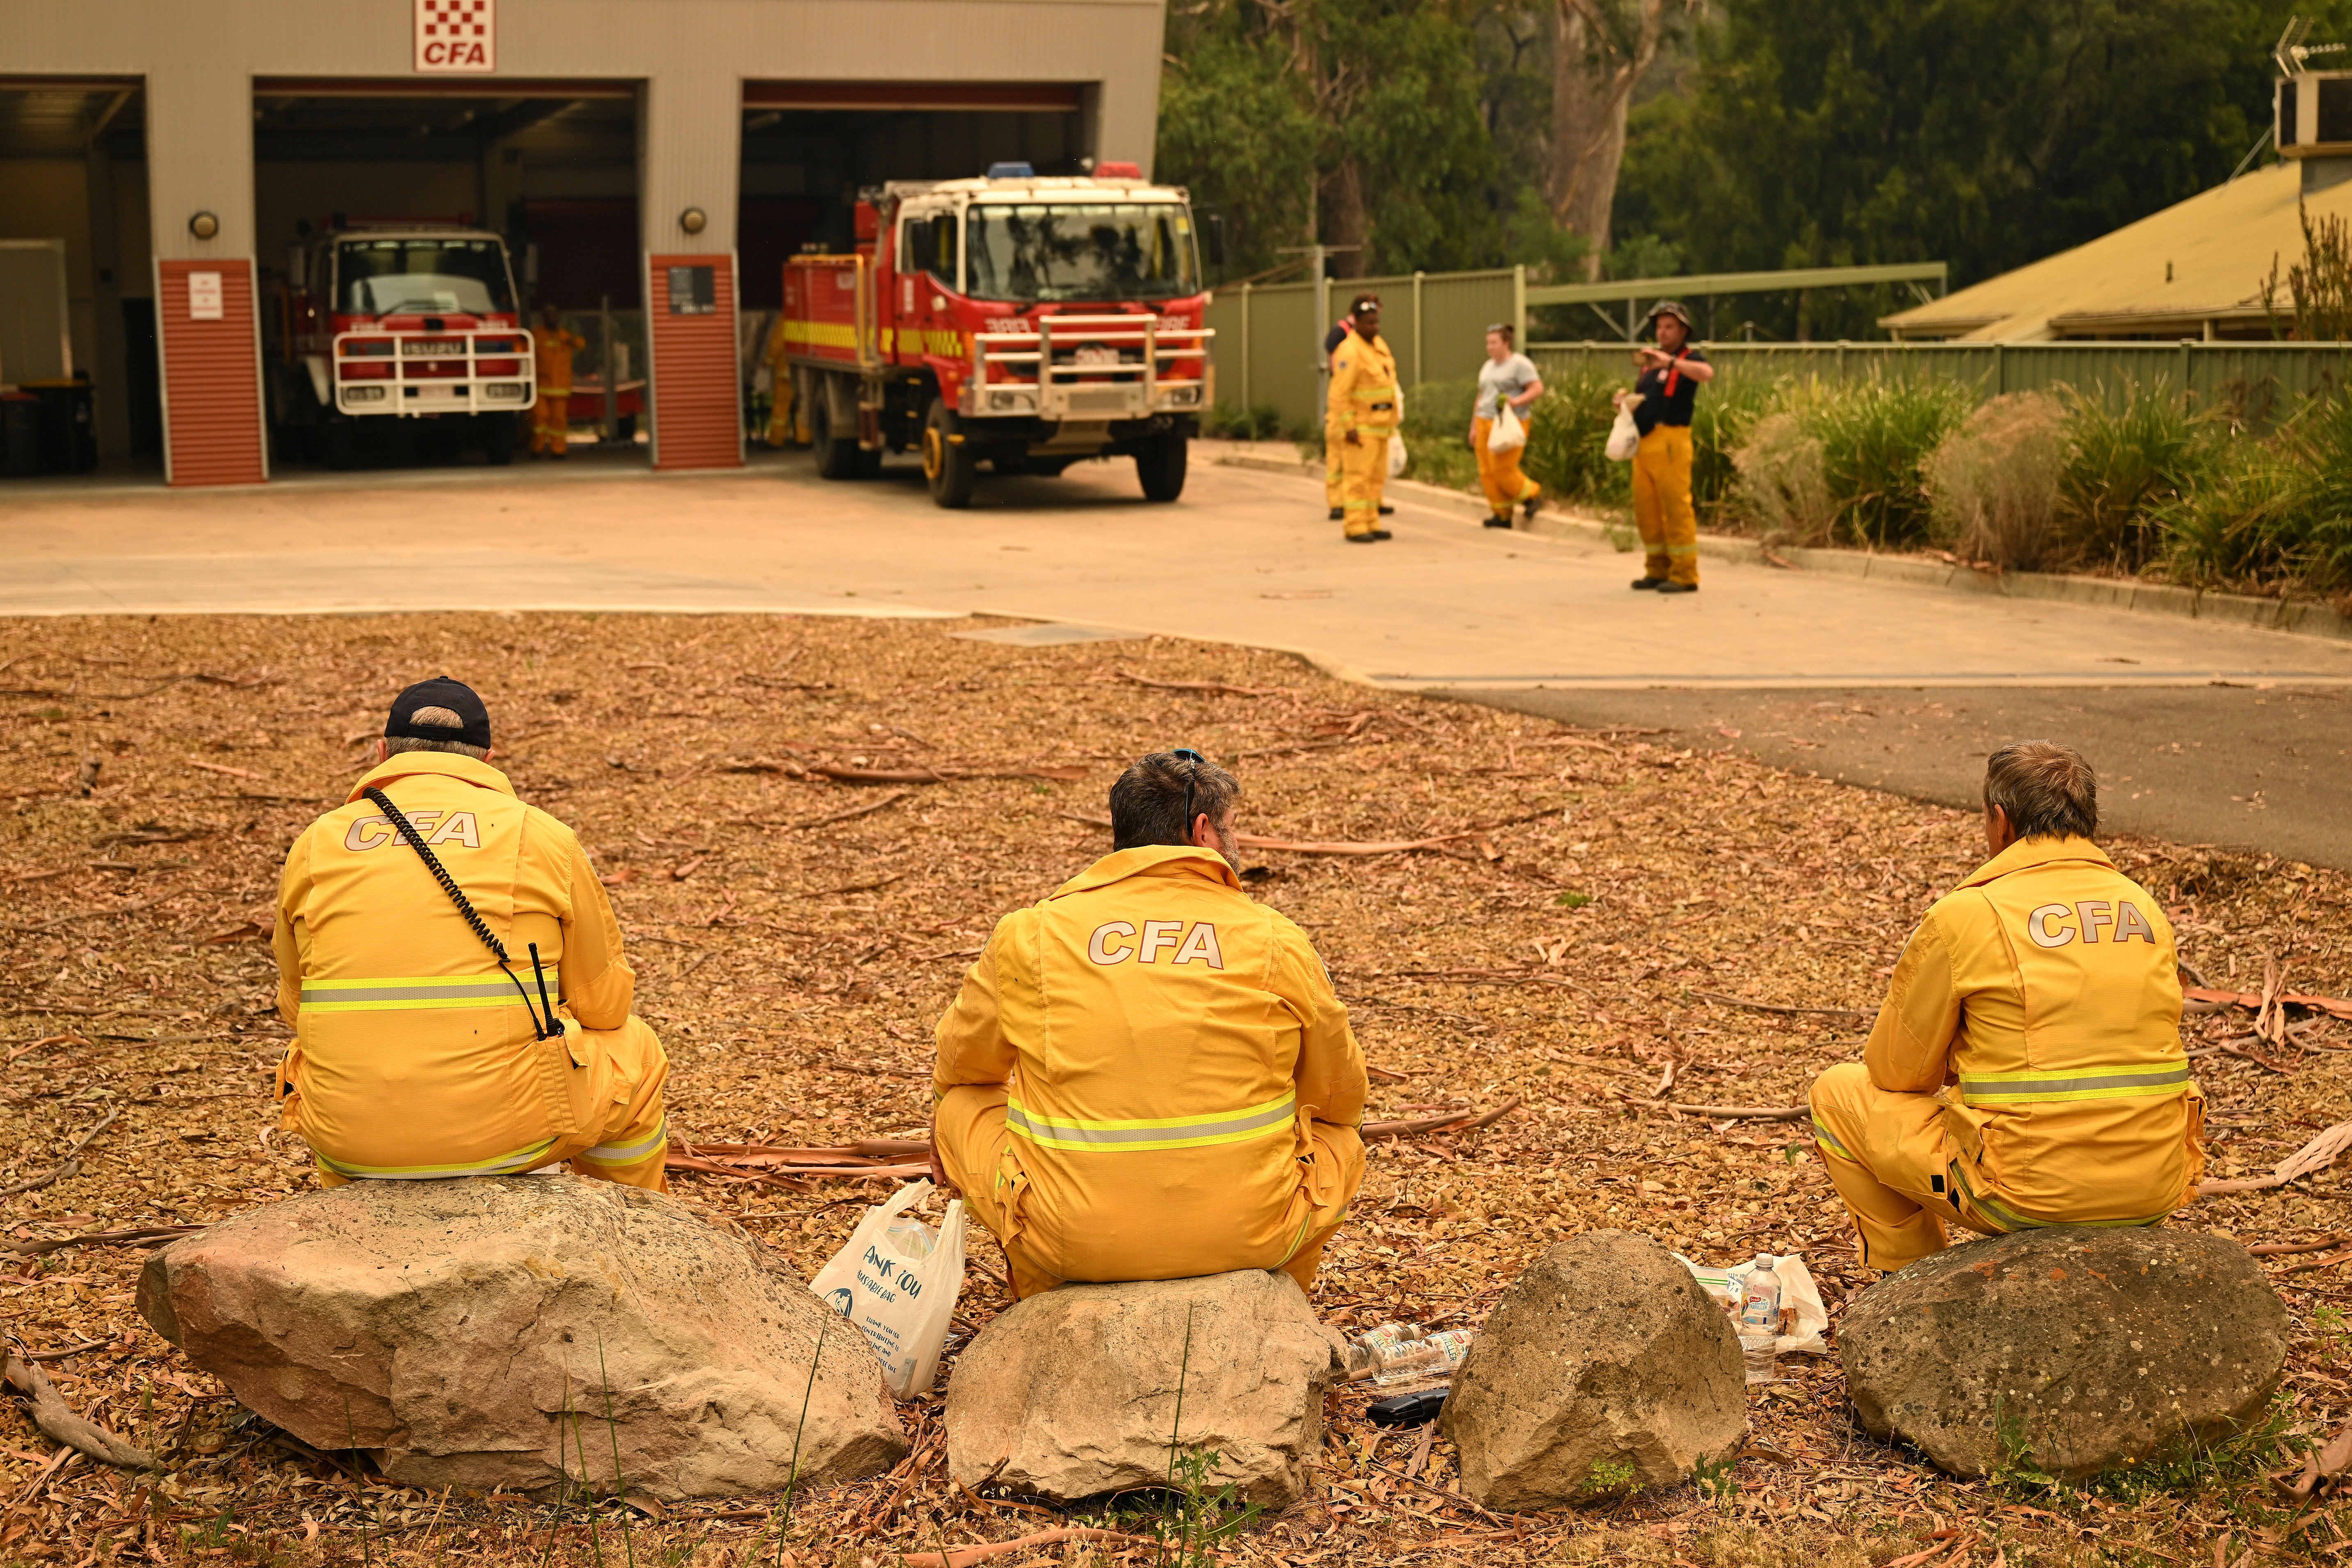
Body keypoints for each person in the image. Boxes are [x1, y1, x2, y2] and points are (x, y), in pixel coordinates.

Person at [930, 750, 1368, 1298]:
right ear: (1203, 831)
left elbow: (963, 1064)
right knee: (1337, 1134)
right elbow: (1339, 1090)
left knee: (957, 1102)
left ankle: (1043, 1291)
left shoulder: (1031, 932)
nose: (1238, 844)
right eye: (1232, 828)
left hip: (1070, 1237)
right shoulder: (1275, 937)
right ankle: (1286, 1306)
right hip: (1251, 1233)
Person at [1807, 742, 2204, 1274]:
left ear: (2000, 820)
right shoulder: (2142, 907)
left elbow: (1896, 1072)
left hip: (2023, 1193)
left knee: (1837, 1093)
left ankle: (1906, 1283)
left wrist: (1957, 1055)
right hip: (2155, 1186)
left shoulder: (1968, 914)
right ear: (2086, 819)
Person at [270, 678, 669, 1190]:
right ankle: (637, 1223)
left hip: (345, 1143)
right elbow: (605, 1007)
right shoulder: (540, 834)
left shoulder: (316, 841)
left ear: (382, 751)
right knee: (636, 1047)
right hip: (504, 1135)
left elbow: (296, 1005)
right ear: (488, 758)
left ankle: (353, 1216)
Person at [1615, 300, 1711, 592]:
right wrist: (1624, 402)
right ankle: (1657, 569)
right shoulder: (1648, 366)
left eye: (1670, 326)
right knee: (1648, 510)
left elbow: (1706, 374)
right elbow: (1646, 399)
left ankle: (1685, 574)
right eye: (1659, 326)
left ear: (1683, 330)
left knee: (1676, 508)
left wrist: (1668, 362)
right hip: (1644, 444)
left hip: (1671, 441)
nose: (1663, 332)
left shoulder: (1689, 358)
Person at [1326, 296, 1400, 543]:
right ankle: (1356, 526)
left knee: (1375, 481)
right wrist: (1349, 426)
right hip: (1362, 429)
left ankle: (1371, 522)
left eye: (1376, 322)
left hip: (1381, 427)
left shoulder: (1379, 346)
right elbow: (1339, 393)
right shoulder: (1350, 350)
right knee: (1358, 480)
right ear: (1356, 323)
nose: (1374, 328)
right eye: (1369, 323)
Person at [1471, 322, 1544, 530]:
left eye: (1494, 343)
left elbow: (1537, 389)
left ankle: (1532, 495)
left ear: (1506, 343)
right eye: (1488, 343)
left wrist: (1517, 402)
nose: (1490, 347)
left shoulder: (1520, 365)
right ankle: (1501, 514)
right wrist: (1474, 426)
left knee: (1502, 467)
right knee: (1487, 470)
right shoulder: (1488, 367)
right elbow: (1481, 396)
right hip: (1484, 420)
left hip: (1508, 422)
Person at [530, 306, 585, 458]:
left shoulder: (565, 336)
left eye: (555, 316)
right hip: (541, 388)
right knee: (539, 418)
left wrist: (572, 340)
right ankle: (537, 449)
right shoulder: (537, 336)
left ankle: (559, 451)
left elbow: (581, 345)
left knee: (559, 421)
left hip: (561, 389)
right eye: (549, 316)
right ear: (544, 318)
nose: (552, 319)